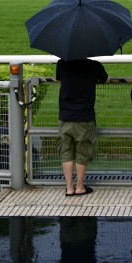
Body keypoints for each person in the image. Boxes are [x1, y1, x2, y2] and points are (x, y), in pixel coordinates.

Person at [55, 57, 109, 196]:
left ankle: (69, 188)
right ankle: (80, 187)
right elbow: (105, 79)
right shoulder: (94, 65)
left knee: (66, 153)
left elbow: (59, 78)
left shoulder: (62, 63)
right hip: (85, 117)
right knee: (82, 153)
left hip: (65, 116)